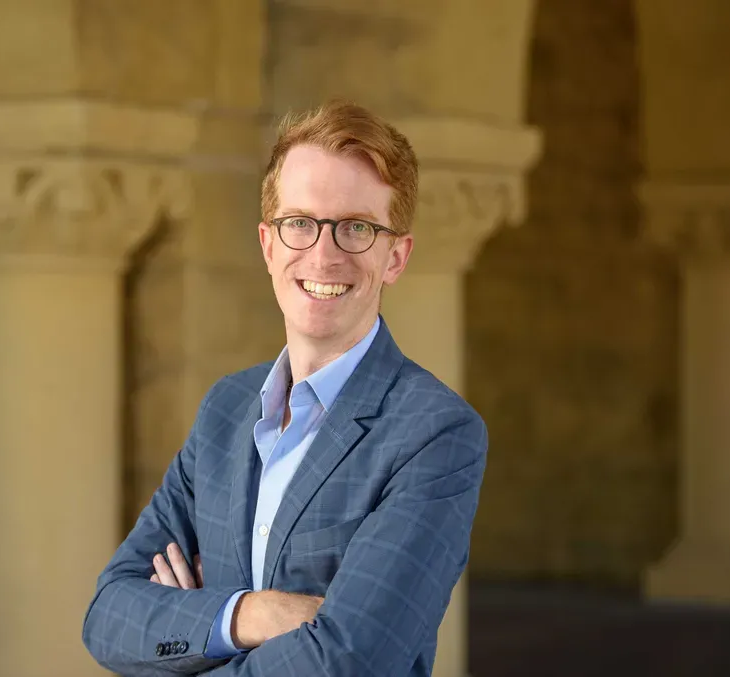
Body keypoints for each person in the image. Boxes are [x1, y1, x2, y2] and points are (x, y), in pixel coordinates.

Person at [82, 100, 488, 676]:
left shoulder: (434, 433)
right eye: (300, 223)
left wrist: (190, 625)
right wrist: (249, 614)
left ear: (395, 256)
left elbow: (351, 662)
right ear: (269, 243)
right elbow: (109, 615)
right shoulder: (227, 410)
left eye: (356, 228)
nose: (323, 254)